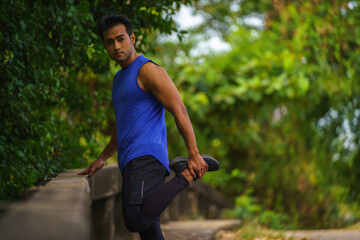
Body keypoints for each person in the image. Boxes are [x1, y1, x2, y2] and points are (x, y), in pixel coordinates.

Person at [78, 14, 219, 240]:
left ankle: (188, 174)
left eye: (121, 39)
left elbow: (179, 110)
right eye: (109, 41)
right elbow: (122, 123)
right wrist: (103, 157)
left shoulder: (149, 70)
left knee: (135, 218)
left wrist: (194, 154)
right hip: (129, 161)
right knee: (149, 231)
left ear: (132, 38)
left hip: (146, 156)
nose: (116, 46)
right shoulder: (118, 79)